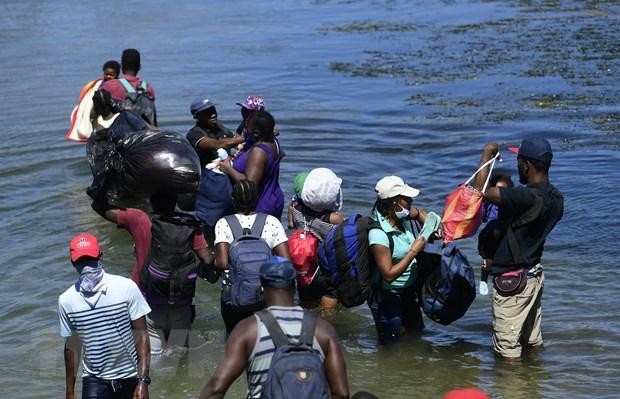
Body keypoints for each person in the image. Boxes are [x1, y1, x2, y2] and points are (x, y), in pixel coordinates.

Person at [198, 257, 350, 399]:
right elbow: (341, 393)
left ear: (262, 288)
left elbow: (216, 389)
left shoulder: (248, 330)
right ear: (294, 286)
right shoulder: (323, 329)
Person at [474, 138, 564, 360]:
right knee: (532, 343)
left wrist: (487, 155)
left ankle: (512, 390)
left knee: (507, 354)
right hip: (534, 276)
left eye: (518, 161)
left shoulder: (525, 197)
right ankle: (534, 387)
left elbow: (481, 191)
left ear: (527, 165)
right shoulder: (556, 199)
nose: (517, 166)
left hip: (512, 284)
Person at [91, 192, 213, 354]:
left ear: (150, 201)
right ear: (175, 201)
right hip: (181, 304)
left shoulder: (139, 219)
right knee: (179, 358)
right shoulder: (188, 224)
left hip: (147, 304)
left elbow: (99, 207)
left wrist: (103, 183)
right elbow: (207, 259)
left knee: (153, 359)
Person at [59, 233, 151, 399]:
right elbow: (72, 346)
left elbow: (142, 334)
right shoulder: (67, 301)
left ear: (100, 256)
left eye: (90, 259)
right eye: (81, 261)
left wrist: (143, 381)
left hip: (130, 376)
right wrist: (70, 392)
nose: (86, 265)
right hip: (95, 381)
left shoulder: (126, 288)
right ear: (73, 263)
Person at [367, 176, 440, 344]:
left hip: (409, 291)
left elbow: (421, 213)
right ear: (394, 202)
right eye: (407, 199)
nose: (411, 201)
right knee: (390, 344)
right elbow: (388, 275)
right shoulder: (378, 234)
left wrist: (433, 229)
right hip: (388, 296)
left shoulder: (401, 216)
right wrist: (414, 250)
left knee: (416, 334)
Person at [213, 179, 290, 333]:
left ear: (233, 200)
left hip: (235, 299)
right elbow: (286, 261)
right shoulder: (271, 222)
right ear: (257, 198)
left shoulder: (224, 223)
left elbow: (222, 263)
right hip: (266, 296)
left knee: (235, 339)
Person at [288, 168, 345, 309]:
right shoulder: (335, 218)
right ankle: (327, 325)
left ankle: (306, 325)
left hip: (306, 263)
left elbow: (292, 225)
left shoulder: (295, 208)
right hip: (324, 265)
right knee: (329, 295)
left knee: (306, 300)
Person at [219, 110, 285, 219]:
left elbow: (250, 184)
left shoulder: (258, 151)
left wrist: (228, 168)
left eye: (246, 127)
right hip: (274, 197)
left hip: (261, 205)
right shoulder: (273, 141)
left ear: (256, 133)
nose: (244, 130)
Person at [477, 174, 514, 295]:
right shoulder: (490, 203)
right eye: (496, 189)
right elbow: (482, 218)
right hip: (489, 235)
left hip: (503, 235)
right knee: (488, 261)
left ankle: (503, 277)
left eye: (502, 190)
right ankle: (483, 279)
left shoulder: (510, 204)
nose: (499, 192)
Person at [100, 48, 156, 126]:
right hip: (146, 134)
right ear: (139, 67)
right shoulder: (147, 88)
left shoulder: (110, 85)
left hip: (122, 135)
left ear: (121, 66)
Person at [186, 96, 244, 168]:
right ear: (197, 116)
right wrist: (243, 138)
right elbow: (217, 144)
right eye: (207, 113)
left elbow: (234, 143)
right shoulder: (194, 134)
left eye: (213, 110)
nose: (213, 115)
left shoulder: (221, 128)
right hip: (207, 173)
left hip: (226, 167)